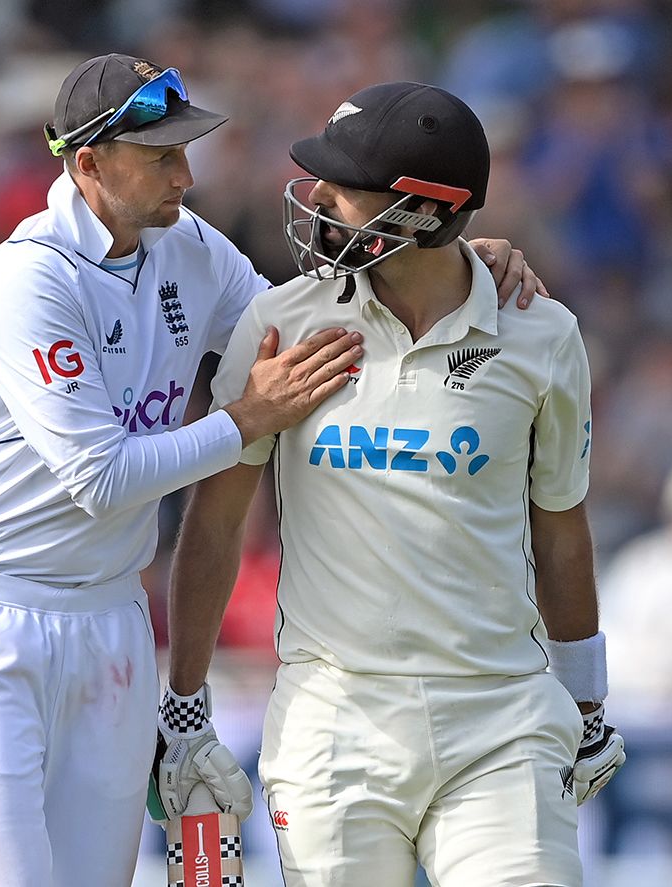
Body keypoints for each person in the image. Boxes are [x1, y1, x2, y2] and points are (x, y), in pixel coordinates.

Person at [0, 55, 545, 886]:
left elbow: (310, 326)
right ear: (87, 163)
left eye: (186, 149)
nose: (186, 173)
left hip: (112, 617)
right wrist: (243, 420)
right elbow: (98, 479)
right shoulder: (30, 277)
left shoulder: (189, 247)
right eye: (161, 156)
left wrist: (447, 259)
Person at [162, 82, 625, 886]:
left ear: (416, 215)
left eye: (342, 186)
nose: (319, 199)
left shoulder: (541, 335)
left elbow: (561, 528)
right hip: (334, 721)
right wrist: (185, 700)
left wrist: (585, 703)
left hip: (501, 719)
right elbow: (215, 521)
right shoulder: (283, 324)